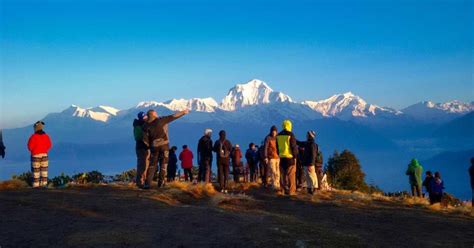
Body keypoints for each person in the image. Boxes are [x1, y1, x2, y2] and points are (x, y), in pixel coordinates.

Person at [142, 109, 189, 189]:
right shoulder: (160, 120)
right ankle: (161, 183)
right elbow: (173, 117)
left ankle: (147, 184)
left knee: (152, 165)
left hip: (154, 147)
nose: (157, 114)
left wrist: (150, 146)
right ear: (153, 114)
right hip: (164, 146)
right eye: (155, 113)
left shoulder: (145, 126)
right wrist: (183, 112)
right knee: (164, 164)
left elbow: (145, 140)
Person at [27, 121, 52, 188]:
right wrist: (44, 150)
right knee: (44, 172)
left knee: (36, 172)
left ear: (36, 128)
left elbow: (29, 147)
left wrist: (34, 150)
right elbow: (49, 145)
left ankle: (36, 186)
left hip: (35, 156)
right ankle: (44, 185)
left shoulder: (33, 137)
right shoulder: (46, 136)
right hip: (44, 155)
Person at [276, 120, 298, 196]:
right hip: (290, 158)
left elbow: (277, 147)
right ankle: (291, 192)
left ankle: (282, 190)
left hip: (282, 158)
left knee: (282, 176)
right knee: (291, 176)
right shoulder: (291, 135)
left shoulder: (278, 135)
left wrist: (279, 154)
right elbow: (293, 147)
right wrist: (295, 156)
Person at [133, 112, 149, 188]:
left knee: (141, 164)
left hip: (139, 147)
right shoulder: (143, 125)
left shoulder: (136, 124)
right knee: (144, 165)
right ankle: (141, 182)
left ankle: (141, 181)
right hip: (144, 147)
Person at [264, 125, 280, 192]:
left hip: (278, 157)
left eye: (275, 131)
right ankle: (274, 185)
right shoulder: (268, 138)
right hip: (271, 157)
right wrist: (265, 157)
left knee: (278, 172)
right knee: (273, 171)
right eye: (273, 131)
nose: (274, 133)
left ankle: (278, 184)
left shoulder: (278, 138)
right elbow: (265, 148)